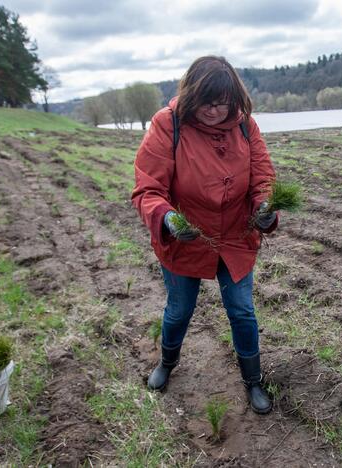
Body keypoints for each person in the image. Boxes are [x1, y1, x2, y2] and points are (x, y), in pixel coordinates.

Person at [131, 56, 279, 414]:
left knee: (242, 311)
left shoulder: (245, 126)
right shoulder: (168, 125)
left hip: (235, 237)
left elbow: (262, 178)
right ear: (192, 95)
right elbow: (148, 189)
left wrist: (264, 207)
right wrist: (167, 219)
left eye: (222, 103)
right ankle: (167, 363)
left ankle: (253, 381)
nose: (214, 111)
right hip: (188, 236)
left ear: (234, 98)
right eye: (206, 103)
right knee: (180, 310)